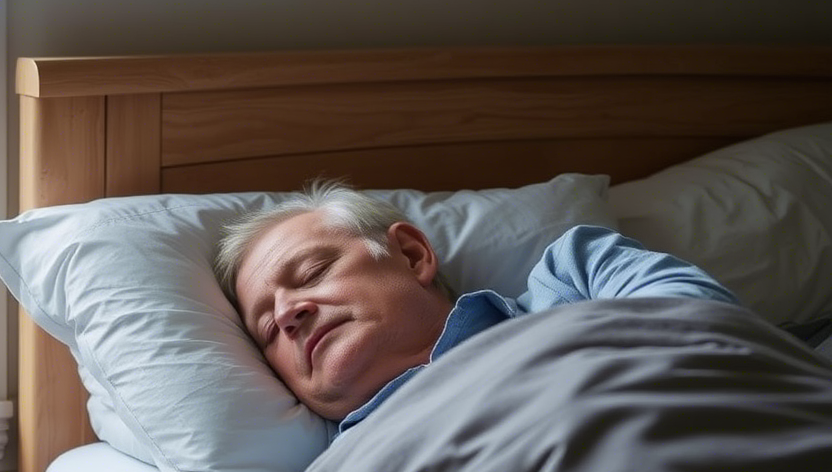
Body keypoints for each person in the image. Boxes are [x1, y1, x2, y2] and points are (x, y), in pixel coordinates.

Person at [215, 179, 739, 433]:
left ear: (412, 255)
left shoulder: (579, 273)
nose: (287, 314)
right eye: (267, 330)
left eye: (310, 273)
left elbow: (713, 342)